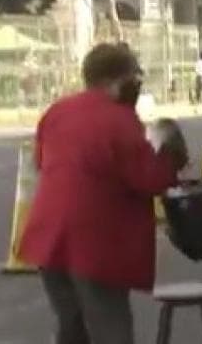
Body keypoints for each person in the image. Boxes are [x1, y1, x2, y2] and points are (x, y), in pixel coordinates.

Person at [18, 43, 188, 344]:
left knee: (71, 326)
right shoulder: (120, 120)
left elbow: (41, 162)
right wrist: (171, 157)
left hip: (50, 236)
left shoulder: (58, 111)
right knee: (110, 326)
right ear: (114, 81)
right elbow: (149, 179)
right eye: (133, 77)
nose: (137, 84)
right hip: (96, 242)